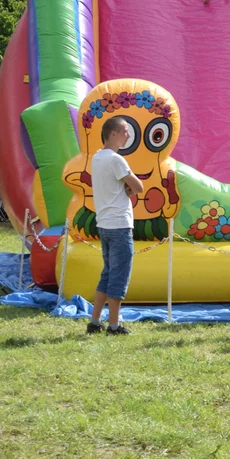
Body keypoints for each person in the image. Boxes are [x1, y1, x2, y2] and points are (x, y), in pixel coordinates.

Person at [87, 116, 144, 336]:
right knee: (119, 276)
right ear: (113, 133)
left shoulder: (98, 158)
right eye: (125, 131)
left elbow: (118, 186)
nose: (128, 135)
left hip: (104, 223)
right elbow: (138, 187)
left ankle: (95, 321)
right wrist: (129, 187)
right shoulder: (116, 160)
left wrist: (125, 188)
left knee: (108, 274)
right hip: (119, 224)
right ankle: (113, 325)